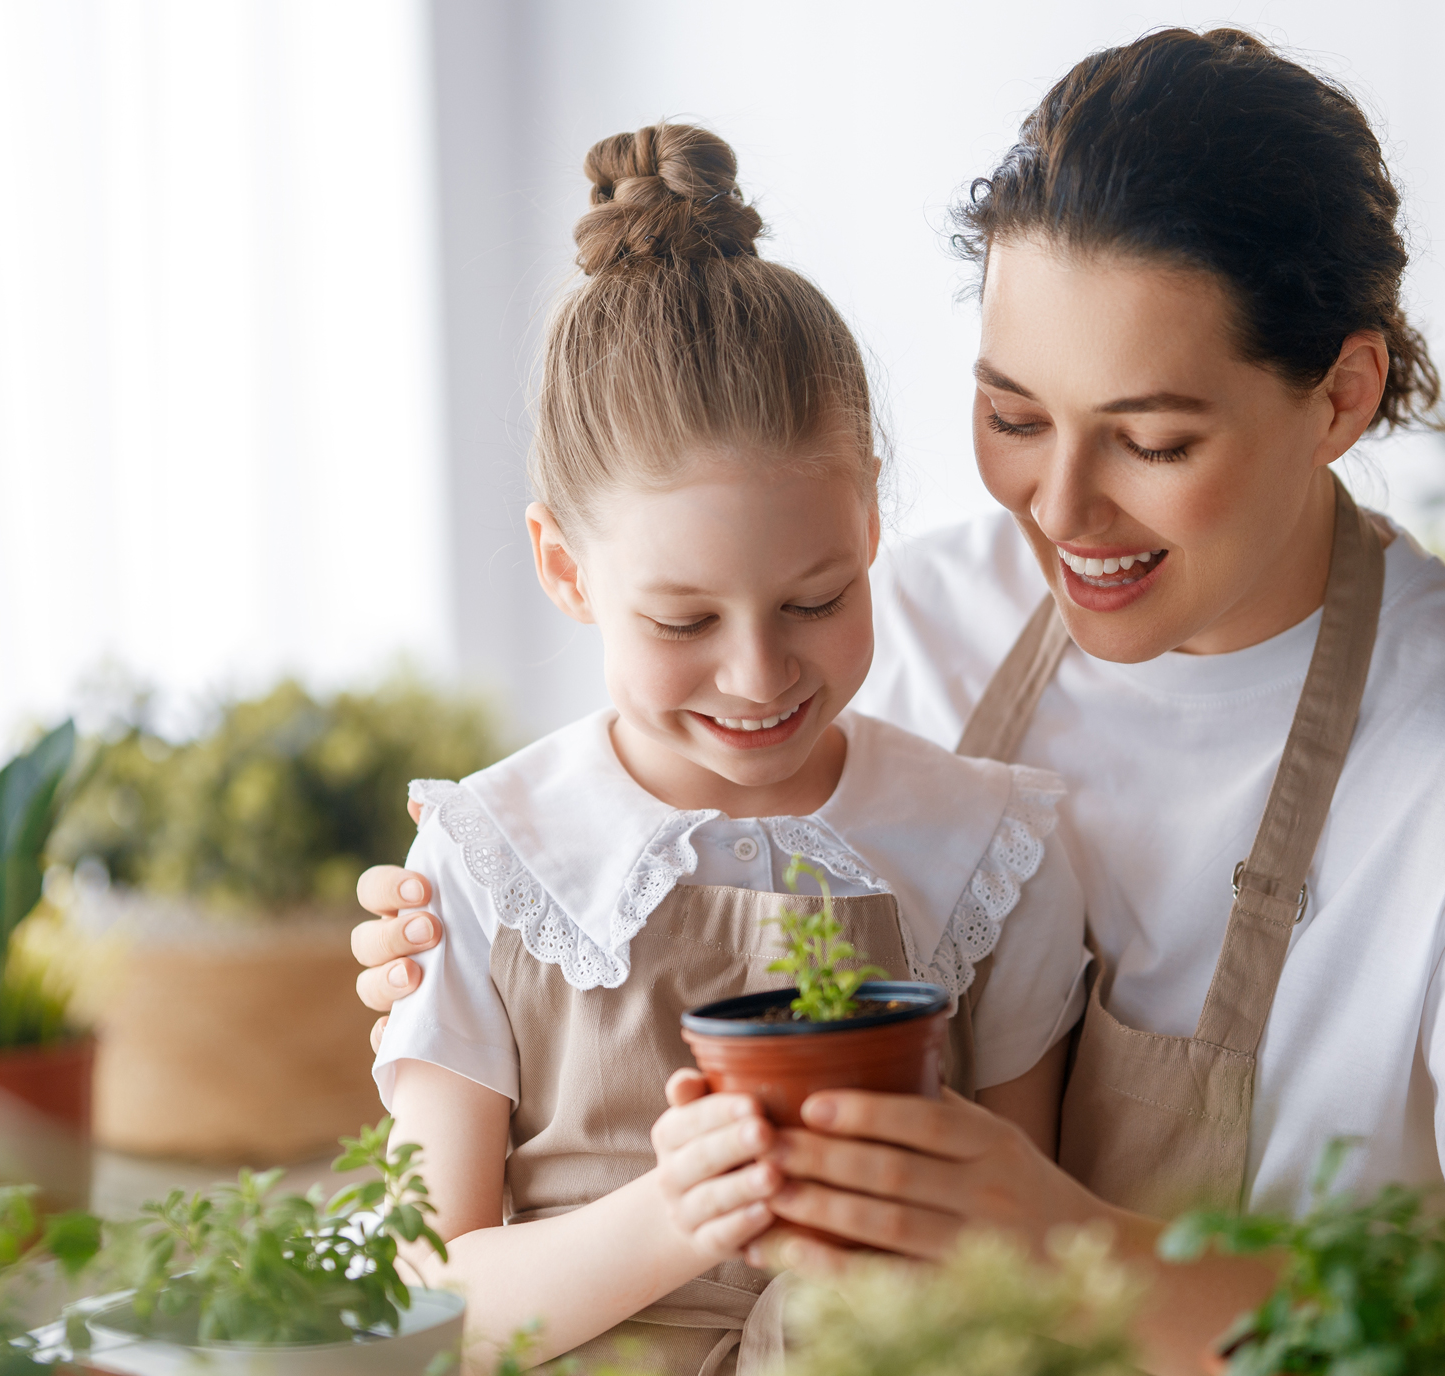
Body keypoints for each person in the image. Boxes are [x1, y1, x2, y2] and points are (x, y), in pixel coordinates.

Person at [356, 31, 1445, 1372]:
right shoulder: (902, 620)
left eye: (1154, 440)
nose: (1058, 514)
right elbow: (615, 830)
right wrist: (472, 929)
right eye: (1013, 417)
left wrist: (1085, 1258)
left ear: (1344, 394)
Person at [370, 124, 1087, 1373]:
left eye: (815, 599)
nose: (759, 677)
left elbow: (1026, 1269)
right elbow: (426, 1307)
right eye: (683, 620)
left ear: (870, 523)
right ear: (563, 568)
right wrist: (672, 1219)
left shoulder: (993, 850)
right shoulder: (486, 860)